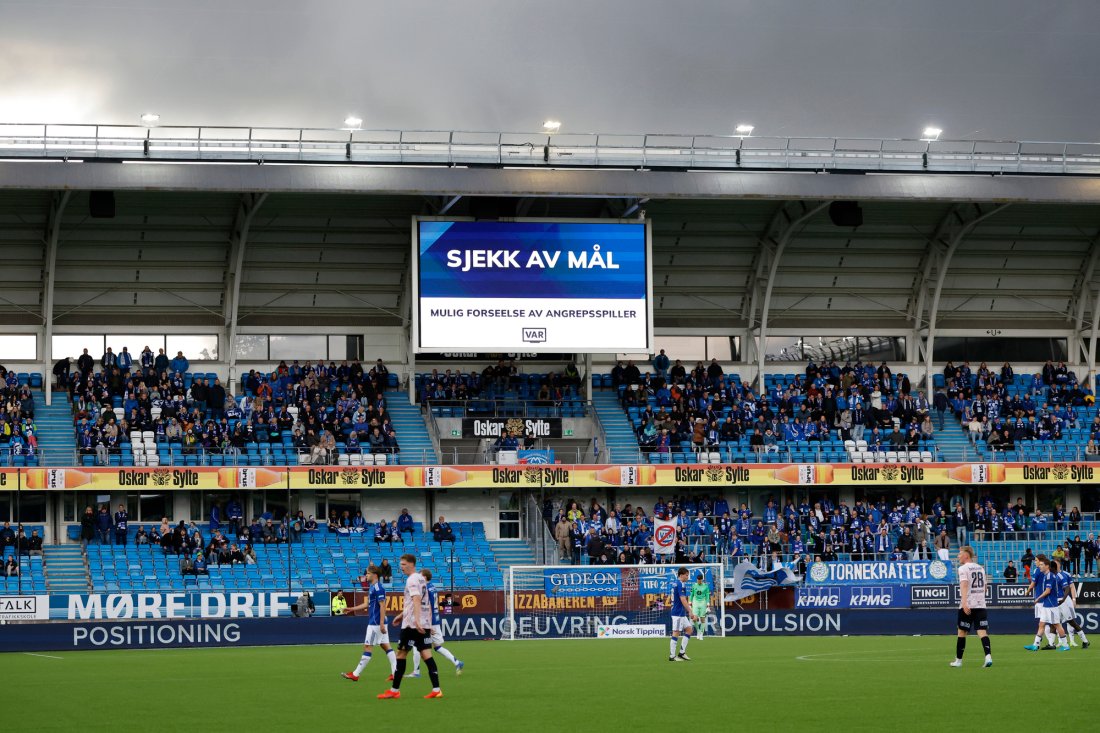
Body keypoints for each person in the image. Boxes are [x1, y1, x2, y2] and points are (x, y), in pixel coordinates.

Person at [377, 554, 443, 700]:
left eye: (404, 564)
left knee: (401, 654)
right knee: (426, 655)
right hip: (422, 623)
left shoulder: (412, 579)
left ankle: (394, 690)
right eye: (400, 564)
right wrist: (404, 616)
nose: (401, 567)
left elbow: (417, 599)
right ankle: (437, 689)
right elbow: (424, 602)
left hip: (412, 624)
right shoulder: (421, 579)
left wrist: (417, 621)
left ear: (412, 564)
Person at [342, 565, 398, 681]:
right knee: (385, 645)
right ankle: (395, 672)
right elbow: (366, 604)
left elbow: (383, 606)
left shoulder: (378, 588)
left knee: (368, 647)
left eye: (367, 573)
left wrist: (381, 623)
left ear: (375, 575)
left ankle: (356, 674)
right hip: (378, 622)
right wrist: (351, 609)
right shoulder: (372, 587)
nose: (366, 575)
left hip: (376, 623)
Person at [411, 569, 464, 677]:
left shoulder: (426, 589)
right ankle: (457, 662)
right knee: (437, 646)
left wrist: (428, 624)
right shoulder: (433, 587)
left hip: (428, 621)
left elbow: (429, 607)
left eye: (420, 576)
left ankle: (416, 672)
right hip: (435, 620)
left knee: (416, 645)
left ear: (425, 577)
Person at [950, 545, 992, 668]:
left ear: (966, 555)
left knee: (962, 632)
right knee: (982, 631)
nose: (958, 556)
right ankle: (988, 657)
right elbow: (985, 587)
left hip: (968, 604)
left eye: (960, 554)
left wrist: (964, 603)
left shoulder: (963, 568)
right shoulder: (980, 568)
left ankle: (958, 661)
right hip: (980, 604)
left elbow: (964, 585)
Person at [1025, 558, 1070, 652]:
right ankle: (1035, 645)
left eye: (1042, 565)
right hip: (1046, 605)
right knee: (1041, 624)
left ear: (1047, 566)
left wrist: (1038, 598)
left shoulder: (1050, 576)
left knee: (1057, 625)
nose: (1040, 566)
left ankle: (1065, 645)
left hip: (1051, 605)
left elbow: (1048, 591)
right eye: (1040, 564)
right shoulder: (1046, 575)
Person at [1056, 562, 1089, 648]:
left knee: (1070, 621)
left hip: (1065, 600)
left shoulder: (1065, 574)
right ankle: (1060, 641)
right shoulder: (1050, 575)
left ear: (1059, 565)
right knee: (1057, 622)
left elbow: (1071, 587)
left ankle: (1075, 640)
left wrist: (1073, 599)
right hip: (1056, 601)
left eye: (1056, 564)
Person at [668, 566, 694, 662]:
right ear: (681, 575)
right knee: (676, 633)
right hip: (678, 613)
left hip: (680, 612)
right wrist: (690, 611)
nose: (688, 577)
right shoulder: (680, 584)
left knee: (689, 630)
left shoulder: (675, 583)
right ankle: (672, 656)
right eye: (686, 575)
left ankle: (682, 653)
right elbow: (683, 599)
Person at [689, 570, 712, 641]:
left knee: (702, 619)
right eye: (698, 580)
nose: (699, 581)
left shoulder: (705, 586)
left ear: (702, 580)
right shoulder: (694, 585)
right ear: (697, 580)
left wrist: (708, 603)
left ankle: (701, 633)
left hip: (703, 602)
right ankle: (698, 631)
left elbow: (707, 595)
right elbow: (691, 595)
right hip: (695, 602)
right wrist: (690, 602)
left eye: (700, 580)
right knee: (694, 619)